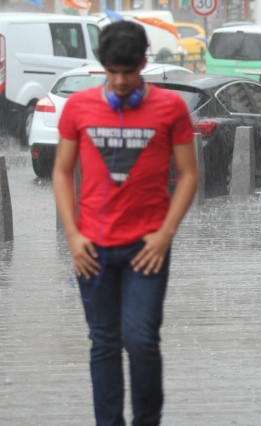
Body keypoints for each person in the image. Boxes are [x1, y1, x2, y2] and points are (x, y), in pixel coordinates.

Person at [52, 21, 198, 425]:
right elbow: (62, 172)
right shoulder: (79, 108)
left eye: (128, 72)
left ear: (143, 64)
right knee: (103, 342)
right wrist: (72, 236)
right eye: (111, 71)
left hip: (146, 248)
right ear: (102, 66)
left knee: (141, 340)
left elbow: (188, 174)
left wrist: (165, 234)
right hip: (92, 249)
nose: (119, 81)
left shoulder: (170, 108)